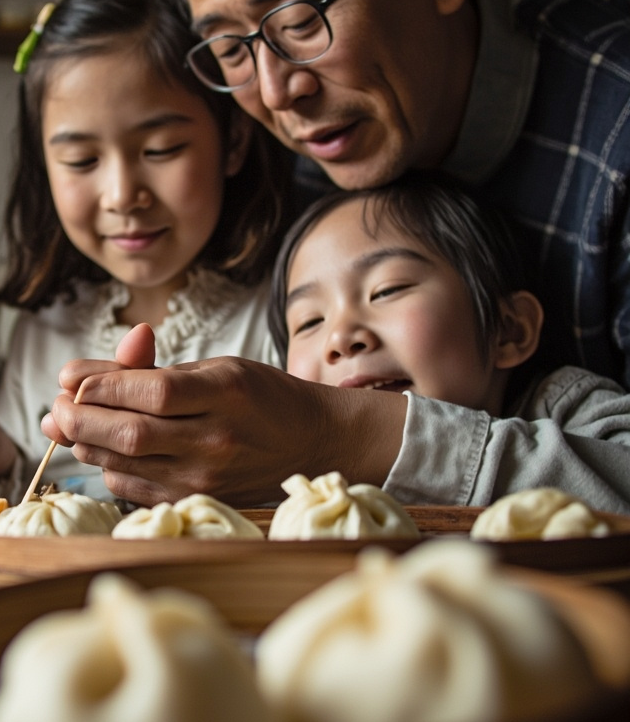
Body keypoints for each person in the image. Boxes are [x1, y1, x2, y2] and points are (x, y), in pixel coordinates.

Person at [42, 0, 630, 508]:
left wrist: (342, 435)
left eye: (301, 20)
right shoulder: (275, 141)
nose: (276, 93)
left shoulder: (618, 122)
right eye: (231, 48)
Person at [0, 0, 293, 500]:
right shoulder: (46, 325)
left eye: (161, 150)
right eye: (81, 160)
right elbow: (23, 484)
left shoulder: (285, 314)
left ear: (232, 141)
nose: (122, 195)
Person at [268, 177, 630, 511]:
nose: (340, 338)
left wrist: (412, 447)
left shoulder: (566, 410)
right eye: (309, 321)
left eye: (387, 290)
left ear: (508, 330)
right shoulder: (296, 479)